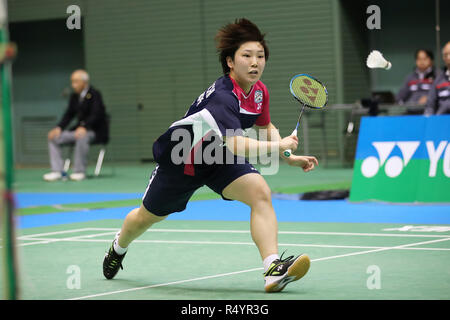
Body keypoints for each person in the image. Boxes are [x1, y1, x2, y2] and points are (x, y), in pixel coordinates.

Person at [103, 18, 318, 293]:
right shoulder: (223, 96)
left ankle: (272, 269)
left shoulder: (260, 91)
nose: (255, 62)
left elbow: (265, 127)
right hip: (183, 159)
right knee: (146, 217)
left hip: (219, 158)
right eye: (247, 56)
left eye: (260, 56)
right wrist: (278, 148)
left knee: (260, 193)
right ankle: (118, 246)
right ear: (230, 61)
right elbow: (237, 145)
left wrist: (288, 155)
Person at [43, 69, 108, 181]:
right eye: (72, 81)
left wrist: (84, 126)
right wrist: (59, 128)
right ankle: (57, 171)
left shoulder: (95, 94)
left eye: (76, 82)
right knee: (53, 137)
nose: (73, 85)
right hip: (77, 131)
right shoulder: (74, 97)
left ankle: (79, 171)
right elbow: (68, 115)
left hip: (95, 132)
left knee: (82, 136)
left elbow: (97, 114)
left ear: (84, 82)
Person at [424, 42, 450, 115]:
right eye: (445, 55)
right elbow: (430, 106)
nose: (448, 57)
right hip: (441, 120)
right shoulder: (438, 80)